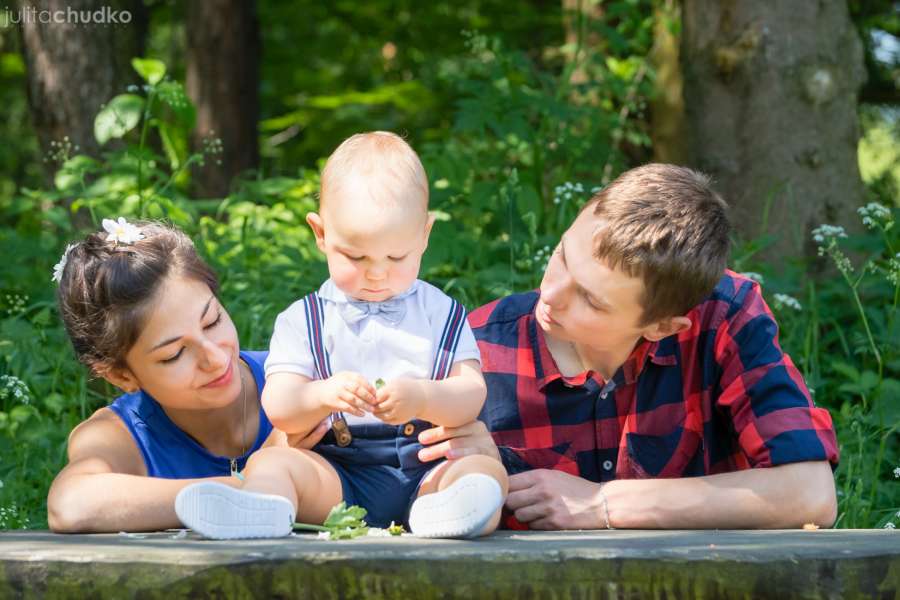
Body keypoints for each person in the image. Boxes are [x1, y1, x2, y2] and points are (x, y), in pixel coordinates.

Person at [45, 218, 484, 533]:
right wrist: (246, 487)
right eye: (175, 353)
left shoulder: (299, 380)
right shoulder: (118, 433)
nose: (215, 358)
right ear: (121, 375)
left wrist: (472, 446)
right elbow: (71, 505)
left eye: (213, 321)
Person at [469, 163, 840, 530]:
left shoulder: (723, 317)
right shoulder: (478, 346)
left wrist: (603, 503)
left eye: (592, 300)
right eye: (561, 256)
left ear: (662, 326)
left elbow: (811, 494)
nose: (549, 294)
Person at [175, 132, 508, 539]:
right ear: (320, 234)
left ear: (424, 234)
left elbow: (472, 393)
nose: (377, 272)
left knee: (483, 469)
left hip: (427, 466)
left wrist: (422, 397)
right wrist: (321, 395)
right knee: (272, 464)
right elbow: (279, 404)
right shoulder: (304, 318)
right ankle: (263, 508)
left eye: (397, 257)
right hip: (338, 471)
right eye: (356, 256)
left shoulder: (442, 313)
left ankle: (453, 512)